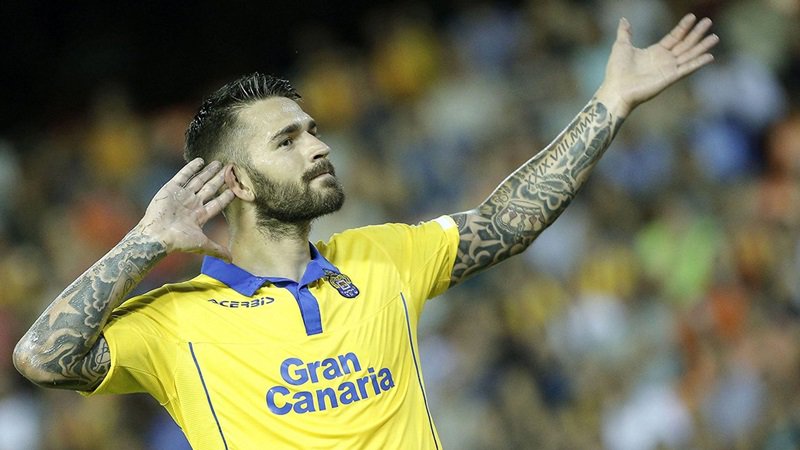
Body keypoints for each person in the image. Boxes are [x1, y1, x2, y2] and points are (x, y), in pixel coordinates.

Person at [14, 14, 718, 449]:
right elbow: (42, 358)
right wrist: (146, 240)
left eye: (312, 130)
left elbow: (507, 220)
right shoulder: (176, 320)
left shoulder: (381, 255)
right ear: (237, 183)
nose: (319, 146)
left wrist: (610, 101)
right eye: (287, 141)